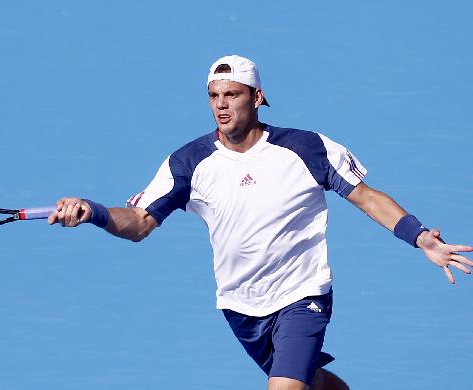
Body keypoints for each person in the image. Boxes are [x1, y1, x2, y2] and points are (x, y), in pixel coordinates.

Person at [47, 55, 473, 390]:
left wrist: (419, 237)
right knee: (313, 383)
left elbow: (367, 197)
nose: (221, 105)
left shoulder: (306, 148)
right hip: (241, 305)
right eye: (214, 96)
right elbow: (140, 222)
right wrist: (93, 211)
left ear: (256, 97)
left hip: (301, 294)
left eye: (231, 95)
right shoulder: (189, 162)